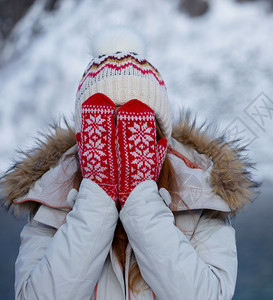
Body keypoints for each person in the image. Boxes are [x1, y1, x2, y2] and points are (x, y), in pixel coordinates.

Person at [0, 27, 258, 300]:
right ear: (85, 140)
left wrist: (140, 199)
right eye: (107, 127)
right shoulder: (51, 204)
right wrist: (97, 195)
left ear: (160, 141)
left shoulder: (201, 200)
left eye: (135, 129)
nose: (120, 142)